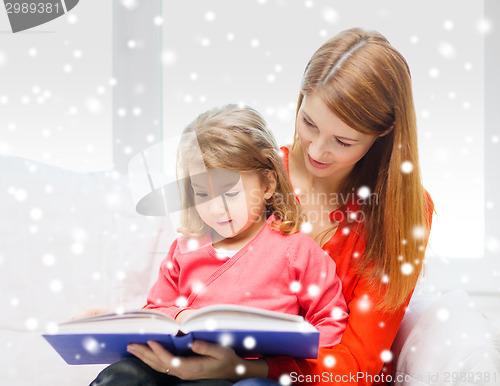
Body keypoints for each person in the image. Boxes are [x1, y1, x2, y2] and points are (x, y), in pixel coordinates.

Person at [90, 104, 348, 386]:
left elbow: (331, 325)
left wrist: (277, 363)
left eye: (231, 193)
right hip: (178, 366)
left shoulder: (298, 250)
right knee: (122, 375)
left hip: (246, 374)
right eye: (202, 194)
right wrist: (181, 315)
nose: (216, 210)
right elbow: (156, 310)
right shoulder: (185, 249)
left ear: (267, 184)